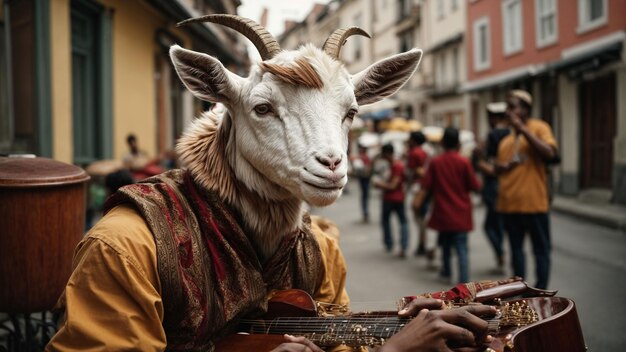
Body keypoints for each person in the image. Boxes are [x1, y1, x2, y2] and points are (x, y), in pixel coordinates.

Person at [496, 90, 558, 290]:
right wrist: (501, 167)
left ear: (525, 109)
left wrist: (523, 129)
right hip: (510, 205)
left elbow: (550, 153)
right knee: (516, 251)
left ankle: (541, 291)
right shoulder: (506, 140)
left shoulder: (539, 128)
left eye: (513, 106)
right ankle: (522, 290)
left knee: (541, 250)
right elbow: (498, 168)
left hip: (535, 204)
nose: (508, 111)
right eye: (507, 107)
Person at [413, 128, 481, 284]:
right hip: (461, 212)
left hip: (442, 211)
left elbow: (426, 184)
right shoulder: (464, 162)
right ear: (458, 143)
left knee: (445, 244)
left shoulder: (436, 162)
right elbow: (475, 185)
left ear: (442, 143)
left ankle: (446, 271)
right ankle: (463, 281)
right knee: (461, 247)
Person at [473, 102, 510, 273]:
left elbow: (489, 161)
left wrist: (480, 159)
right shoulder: (510, 133)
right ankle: (500, 256)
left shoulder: (494, 134)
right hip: (507, 185)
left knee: (490, 226)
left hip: (494, 186)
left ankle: (500, 254)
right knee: (499, 224)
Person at [374, 143, 410, 258]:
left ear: (386, 154)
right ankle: (398, 245)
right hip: (396, 198)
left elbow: (393, 186)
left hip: (392, 198)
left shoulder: (397, 166)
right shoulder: (392, 165)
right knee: (400, 222)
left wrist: (379, 185)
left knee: (396, 222)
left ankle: (398, 245)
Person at [406, 130, 430, 256]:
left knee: (418, 217)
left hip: (417, 187)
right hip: (424, 187)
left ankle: (422, 243)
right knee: (421, 217)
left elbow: (414, 171)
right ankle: (423, 242)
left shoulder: (414, 153)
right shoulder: (424, 152)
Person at [351, 144, 373, 223]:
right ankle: (365, 213)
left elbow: (368, 168)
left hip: (364, 178)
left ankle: (365, 212)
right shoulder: (364, 157)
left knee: (364, 196)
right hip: (365, 178)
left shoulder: (362, 157)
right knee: (365, 195)